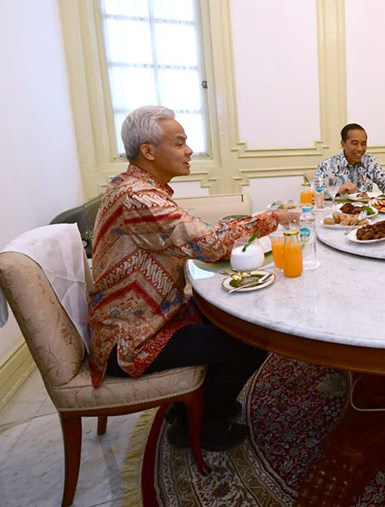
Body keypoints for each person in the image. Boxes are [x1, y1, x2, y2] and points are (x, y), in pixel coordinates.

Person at [88, 106, 301, 451]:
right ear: (148, 151)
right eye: (180, 143)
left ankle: (192, 403)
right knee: (250, 339)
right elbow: (209, 243)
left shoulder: (136, 188)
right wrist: (271, 217)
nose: (189, 150)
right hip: (131, 339)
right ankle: (197, 427)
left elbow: (192, 236)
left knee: (229, 317)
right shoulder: (138, 198)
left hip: (150, 318)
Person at [317, 123, 385, 199]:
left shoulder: (370, 161)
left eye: (363, 143)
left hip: (366, 212)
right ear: (343, 144)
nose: (360, 148)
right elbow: (315, 192)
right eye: (354, 143)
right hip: (339, 213)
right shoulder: (328, 165)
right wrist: (338, 189)